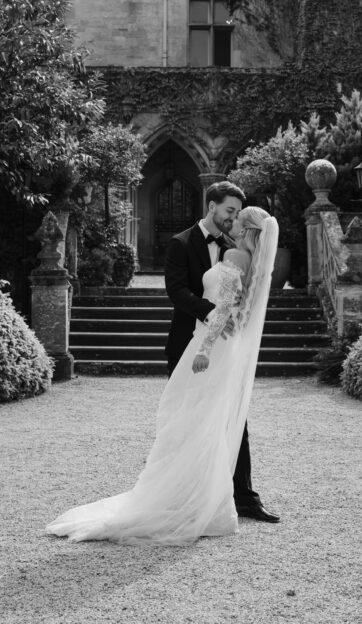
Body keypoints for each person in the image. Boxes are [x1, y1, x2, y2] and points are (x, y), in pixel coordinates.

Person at [45, 204, 279, 546]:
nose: (235, 226)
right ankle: (204, 500)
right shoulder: (253, 264)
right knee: (205, 420)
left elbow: (225, 307)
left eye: (240, 223)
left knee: (190, 418)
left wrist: (203, 349)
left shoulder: (234, 255)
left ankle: (189, 498)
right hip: (220, 345)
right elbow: (225, 308)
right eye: (231, 216)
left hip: (209, 346)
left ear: (249, 232)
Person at [164, 181, 280, 524]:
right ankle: (185, 491)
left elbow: (241, 295)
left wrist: (231, 319)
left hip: (223, 344)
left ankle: (243, 496)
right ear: (211, 205)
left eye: (236, 213)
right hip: (187, 340)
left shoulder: (238, 247)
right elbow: (175, 291)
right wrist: (211, 313)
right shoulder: (180, 243)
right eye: (229, 210)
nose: (232, 218)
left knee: (234, 418)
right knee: (188, 418)